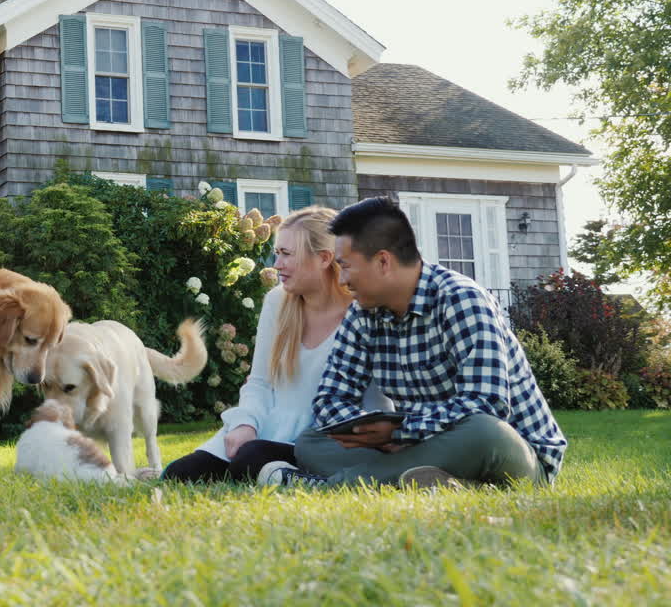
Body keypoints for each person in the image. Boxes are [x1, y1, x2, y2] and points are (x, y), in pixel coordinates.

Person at [259, 197, 567, 489]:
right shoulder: (363, 313)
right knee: (312, 441)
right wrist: (366, 430)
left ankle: (334, 486)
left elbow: (486, 403)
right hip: (413, 446)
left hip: (508, 454)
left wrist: (402, 431)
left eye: (347, 266)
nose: (341, 280)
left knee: (483, 431)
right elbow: (330, 399)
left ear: (383, 262)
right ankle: (437, 482)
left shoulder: (461, 299)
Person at [162, 206, 390, 483]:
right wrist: (245, 424)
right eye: (277, 253)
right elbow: (259, 382)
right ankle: (273, 472)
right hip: (263, 428)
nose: (277, 264)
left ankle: (297, 477)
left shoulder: (366, 312)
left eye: (287, 254)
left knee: (251, 459)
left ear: (324, 258)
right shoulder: (277, 302)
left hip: (321, 440)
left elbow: (378, 402)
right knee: (180, 473)